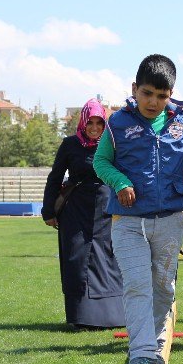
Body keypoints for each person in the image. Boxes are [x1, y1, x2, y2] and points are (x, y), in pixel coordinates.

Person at [93, 54, 183, 364]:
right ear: (134, 88)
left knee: (163, 287)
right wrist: (120, 182)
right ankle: (142, 355)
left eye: (162, 96)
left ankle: (155, 344)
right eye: (147, 93)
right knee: (137, 285)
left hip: (170, 219)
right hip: (127, 221)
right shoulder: (117, 123)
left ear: (172, 94)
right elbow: (101, 162)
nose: (154, 102)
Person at [42, 99, 125, 329]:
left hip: (106, 210)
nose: (95, 127)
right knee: (76, 260)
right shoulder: (69, 144)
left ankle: (112, 316)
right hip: (76, 210)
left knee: (108, 259)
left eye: (100, 122)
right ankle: (80, 316)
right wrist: (48, 211)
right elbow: (55, 177)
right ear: (83, 122)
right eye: (91, 122)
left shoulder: (112, 144)